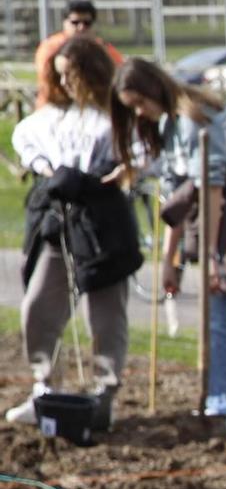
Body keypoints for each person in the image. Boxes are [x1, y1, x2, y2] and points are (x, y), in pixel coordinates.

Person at [106, 58, 226, 438]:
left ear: (154, 91)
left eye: (139, 104)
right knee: (216, 312)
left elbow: (213, 193)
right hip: (219, 219)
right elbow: (178, 201)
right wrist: (170, 262)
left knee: (220, 310)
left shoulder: (197, 118)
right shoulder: (168, 124)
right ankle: (221, 400)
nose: (138, 113)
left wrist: (211, 258)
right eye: (131, 108)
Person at [7, 37, 139, 429]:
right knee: (39, 305)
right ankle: (44, 388)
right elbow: (25, 140)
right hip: (58, 220)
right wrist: (49, 172)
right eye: (59, 76)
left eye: (71, 75)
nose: (64, 84)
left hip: (101, 224)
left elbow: (134, 156)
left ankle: (104, 394)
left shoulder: (113, 118)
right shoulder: (52, 117)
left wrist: (103, 176)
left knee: (105, 313)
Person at [33, 0, 123, 108]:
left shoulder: (102, 49)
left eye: (87, 23)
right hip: (57, 107)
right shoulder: (51, 48)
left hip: (94, 107)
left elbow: (119, 77)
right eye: (75, 22)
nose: (81, 27)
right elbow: (49, 83)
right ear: (64, 22)